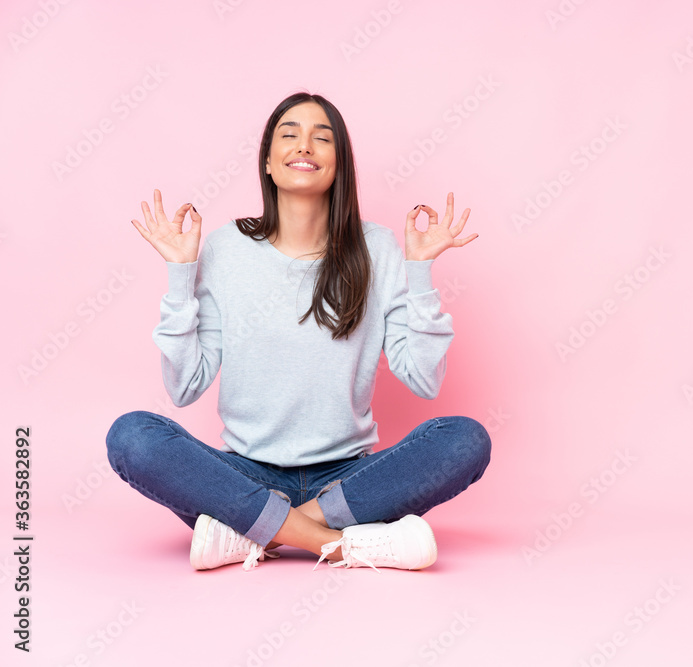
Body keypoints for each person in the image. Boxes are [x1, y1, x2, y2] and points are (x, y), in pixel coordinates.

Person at [106, 92, 491, 573]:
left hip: (347, 480)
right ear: (267, 161)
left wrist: (419, 273)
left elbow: (424, 381)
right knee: (132, 437)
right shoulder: (227, 248)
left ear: (339, 163)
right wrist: (181, 276)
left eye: (321, 137)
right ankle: (343, 544)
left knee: (464, 440)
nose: (304, 145)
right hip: (245, 473)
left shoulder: (378, 248)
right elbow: (183, 387)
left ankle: (257, 533)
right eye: (289, 135)